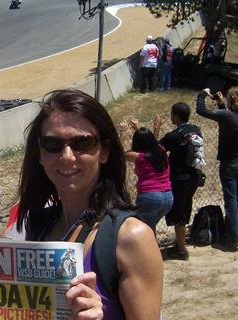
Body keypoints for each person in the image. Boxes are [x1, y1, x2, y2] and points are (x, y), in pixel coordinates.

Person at [16, 89, 163, 319]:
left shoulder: (131, 237)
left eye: (82, 143)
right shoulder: (39, 226)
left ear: (104, 151)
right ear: (40, 154)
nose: (66, 156)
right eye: (52, 144)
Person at [155, 102, 202, 260]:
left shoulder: (174, 136)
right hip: (194, 176)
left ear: (176, 116)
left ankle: (181, 250)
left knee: (179, 213)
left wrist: (156, 128)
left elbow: (155, 150)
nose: (170, 116)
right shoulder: (196, 130)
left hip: (180, 178)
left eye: (172, 113)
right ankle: (180, 243)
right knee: (185, 208)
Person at [196, 87, 238, 252]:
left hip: (229, 164)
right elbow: (228, 120)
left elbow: (201, 110)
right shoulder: (229, 116)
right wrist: (221, 104)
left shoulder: (227, 116)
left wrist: (202, 95)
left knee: (231, 201)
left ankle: (233, 238)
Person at [118, 118, 173, 233]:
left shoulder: (139, 157)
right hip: (168, 197)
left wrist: (123, 132)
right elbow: (150, 142)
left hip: (150, 196)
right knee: (149, 227)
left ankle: (151, 250)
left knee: (146, 230)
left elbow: (119, 154)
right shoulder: (161, 150)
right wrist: (138, 129)